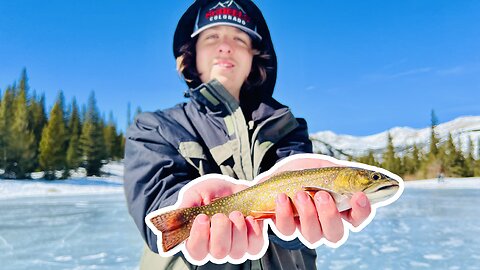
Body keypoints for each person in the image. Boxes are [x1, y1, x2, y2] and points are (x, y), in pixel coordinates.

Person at [124, 0, 372, 269]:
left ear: (255, 56)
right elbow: (158, 218)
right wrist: (185, 207)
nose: (226, 46)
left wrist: (298, 224)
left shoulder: (288, 128)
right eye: (212, 36)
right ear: (190, 54)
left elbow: (297, 227)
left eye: (240, 38)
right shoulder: (154, 127)